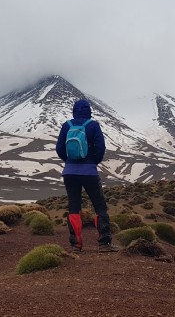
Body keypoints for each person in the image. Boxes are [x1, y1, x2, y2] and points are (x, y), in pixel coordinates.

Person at [56, 99, 119, 253]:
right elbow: (100, 148)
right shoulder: (93, 125)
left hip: (70, 172)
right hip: (89, 172)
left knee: (74, 207)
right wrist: (92, 162)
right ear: (89, 111)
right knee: (99, 206)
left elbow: (59, 149)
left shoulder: (67, 125)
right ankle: (104, 244)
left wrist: (69, 161)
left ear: (74, 111)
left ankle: (75, 245)